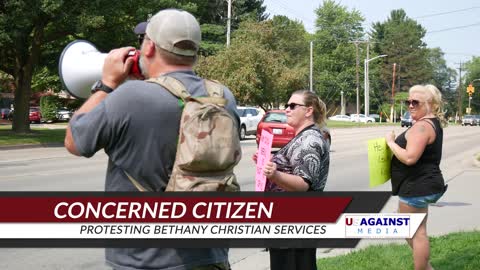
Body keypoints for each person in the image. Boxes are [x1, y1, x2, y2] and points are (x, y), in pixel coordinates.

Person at [64, 8, 239, 270]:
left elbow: (74, 142)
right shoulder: (222, 95)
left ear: (149, 47)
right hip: (211, 257)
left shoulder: (130, 96)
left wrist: (107, 84)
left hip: (144, 261)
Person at [254, 90, 330, 270]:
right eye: (287, 106)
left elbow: (303, 184)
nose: (286, 109)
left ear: (308, 111)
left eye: (292, 106)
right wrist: (268, 163)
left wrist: (275, 174)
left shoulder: (309, 140)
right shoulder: (302, 136)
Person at [385, 84, 448, 270]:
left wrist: (390, 142)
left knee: (416, 232)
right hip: (423, 185)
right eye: (408, 101)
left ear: (431, 104)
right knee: (412, 229)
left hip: (417, 186)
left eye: (416, 102)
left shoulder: (422, 127)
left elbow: (410, 158)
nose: (411, 105)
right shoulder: (430, 122)